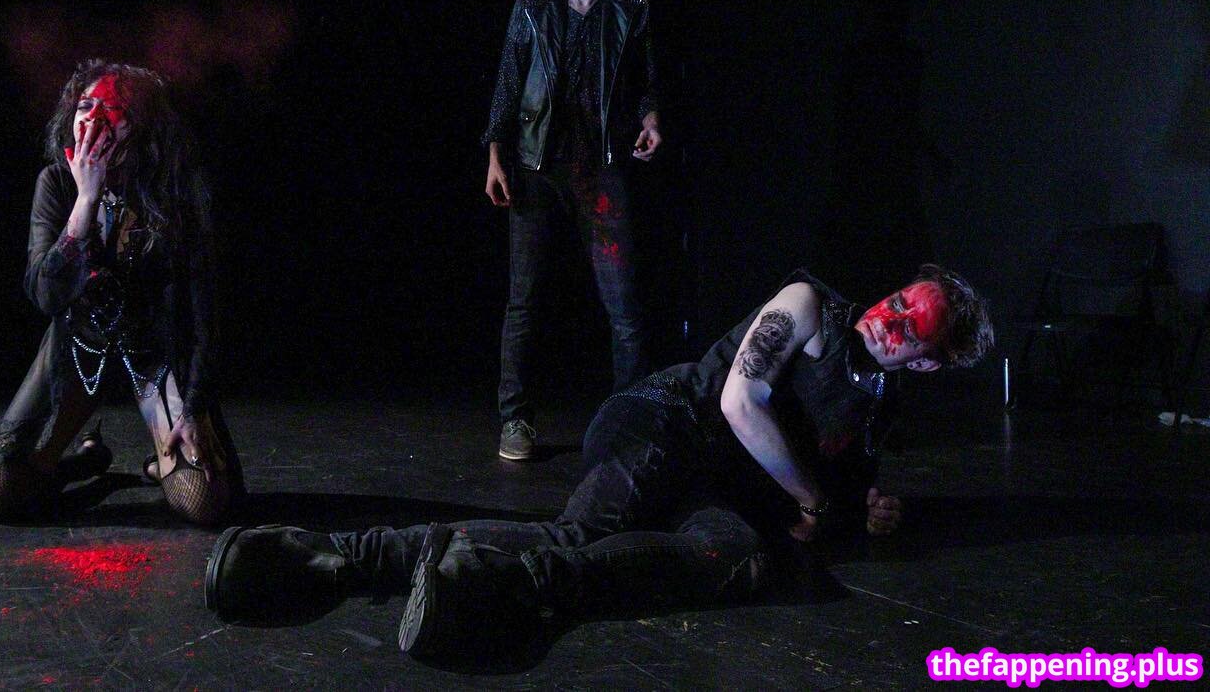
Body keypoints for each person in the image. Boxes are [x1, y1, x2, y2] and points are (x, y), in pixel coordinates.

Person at [201, 265, 993, 658]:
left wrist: (865, 507)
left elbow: (844, 488)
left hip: (717, 493)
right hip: (668, 422)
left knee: (742, 558)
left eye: (911, 330)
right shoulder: (809, 305)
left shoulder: (878, 407)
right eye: (898, 302)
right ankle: (330, 561)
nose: (889, 321)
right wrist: (815, 499)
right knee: (582, 535)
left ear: (928, 363)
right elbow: (740, 402)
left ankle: (492, 582)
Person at [0, 60, 245, 525]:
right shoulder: (57, 183)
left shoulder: (175, 188)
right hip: (79, 349)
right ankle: (82, 464)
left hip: (152, 355)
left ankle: (160, 465)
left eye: (113, 109)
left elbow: (205, 312)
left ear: (142, 126)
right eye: (85, 106)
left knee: (203, 502)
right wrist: (85, 200)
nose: (94, 119)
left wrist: (194, 406)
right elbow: (45, 294)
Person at [482, 0, 664, 461]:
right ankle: (515, 419)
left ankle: (626, 423)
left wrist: (651, 119)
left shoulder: (630, 11)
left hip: (601, 172)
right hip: (536, 170)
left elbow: (646, 81)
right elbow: (508, 84)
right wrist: (494, 155)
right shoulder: (532, 10)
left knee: (624, 307)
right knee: (524, 302)